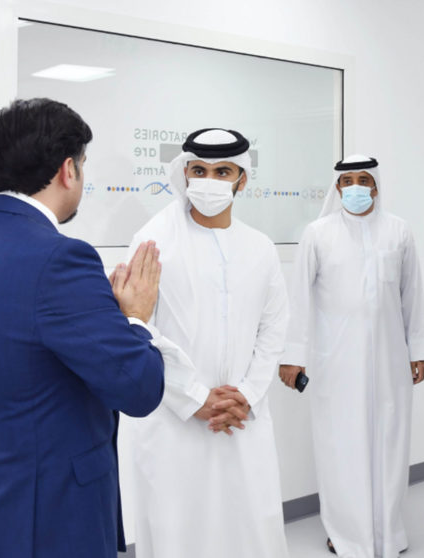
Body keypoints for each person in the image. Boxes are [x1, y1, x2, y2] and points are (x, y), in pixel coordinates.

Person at [0, 98, 167, 558]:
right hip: (56, 514)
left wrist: (107, 321)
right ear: (67, 170)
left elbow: (27, 358)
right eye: (82, 164)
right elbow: (140, 388)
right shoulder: (61, 258)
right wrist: (136, 317)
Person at [127, 128, 290, 558]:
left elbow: (273, 329)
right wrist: (195, 397)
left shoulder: (260, 247)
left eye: (223, 172)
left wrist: (247, 395)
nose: (209, 181)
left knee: (250, 529)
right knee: (180, 533)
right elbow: (139, 330)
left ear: (242, 180)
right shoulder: (153, 242)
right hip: (174, 420)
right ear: (183, 172)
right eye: (199, 170)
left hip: (242, 417)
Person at [279, 155, 424, 557]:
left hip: (391, 361)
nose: (357, 187)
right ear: (338, 187)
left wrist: (418, 349)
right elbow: (298, 300)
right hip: (336, 361)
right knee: (341, 446)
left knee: (391, 443)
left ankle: (389, 531)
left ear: (376, 186)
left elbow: (411, 296)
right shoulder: (317, 233)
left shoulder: (398, 231)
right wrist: (293, 356)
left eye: (364, 179)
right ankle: (345, 533)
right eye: (348, 180)